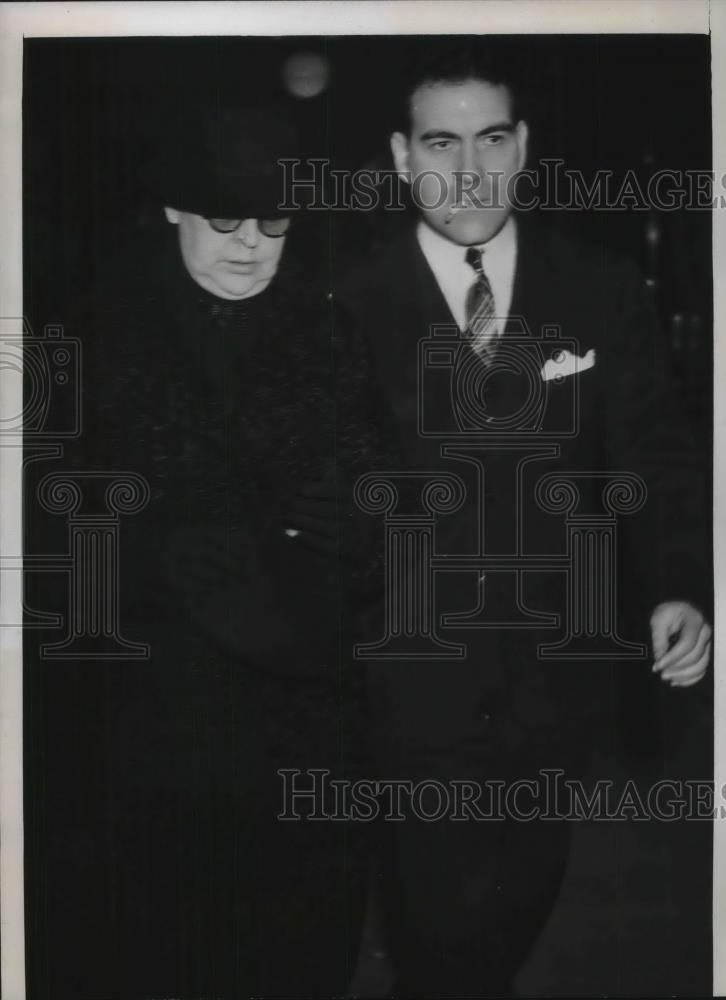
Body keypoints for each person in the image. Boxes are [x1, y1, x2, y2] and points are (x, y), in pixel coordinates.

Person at [337, 43, 712, 998]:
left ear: (524, 146)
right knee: (439, 932)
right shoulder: (342, 302)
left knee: (517, 901)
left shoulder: (600, 287)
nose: (467, 168)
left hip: (556, 676)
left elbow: (657, 455)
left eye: (491, 139)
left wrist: (681, 586)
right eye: (441, 141)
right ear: (399, 155)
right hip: (401, 682)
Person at [39, 102, 393, 998]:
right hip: (161, 752)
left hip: (307, 752)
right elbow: (63, 561)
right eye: (223, 221)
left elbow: (381, 530)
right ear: (171, 214)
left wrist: (361, 531)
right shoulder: (92, 342)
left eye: (272, 222)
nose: (249, 244)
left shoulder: (329, 334)